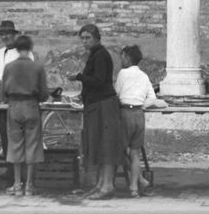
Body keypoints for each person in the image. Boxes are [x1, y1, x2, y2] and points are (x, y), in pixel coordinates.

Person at [0, 32, 49, 199]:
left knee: (15, 145)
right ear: (30, 48)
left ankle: (17, 185)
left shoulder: (9, 67)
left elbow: (2, 93)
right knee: (32, 144)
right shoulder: (37, 67)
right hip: (31, 106)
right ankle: (30, 185)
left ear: (16, 48)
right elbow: (44, 93)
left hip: (14, 107)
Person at [70, 23, 123, 198]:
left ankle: (107, 185)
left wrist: (79, 77)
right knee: (98, 144)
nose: (85, 41)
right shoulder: (95, 54)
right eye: (82, 38)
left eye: (88, 38)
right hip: (96, 103)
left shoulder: (101, 55)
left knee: (106, 144)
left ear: (97, 38)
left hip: (104, 104)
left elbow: (99, 80)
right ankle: (100, 183)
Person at [115, 45, 165, 198]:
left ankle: (140, 180)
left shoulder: (123, 73)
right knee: (135, 153)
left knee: (118, 150)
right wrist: (141, 104)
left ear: (128, 58)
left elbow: (116, 93)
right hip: (139, 114)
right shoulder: (144, 76)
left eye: (122, 57)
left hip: (125, 113)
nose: (120, 60)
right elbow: (152, 98)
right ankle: (134, 187)